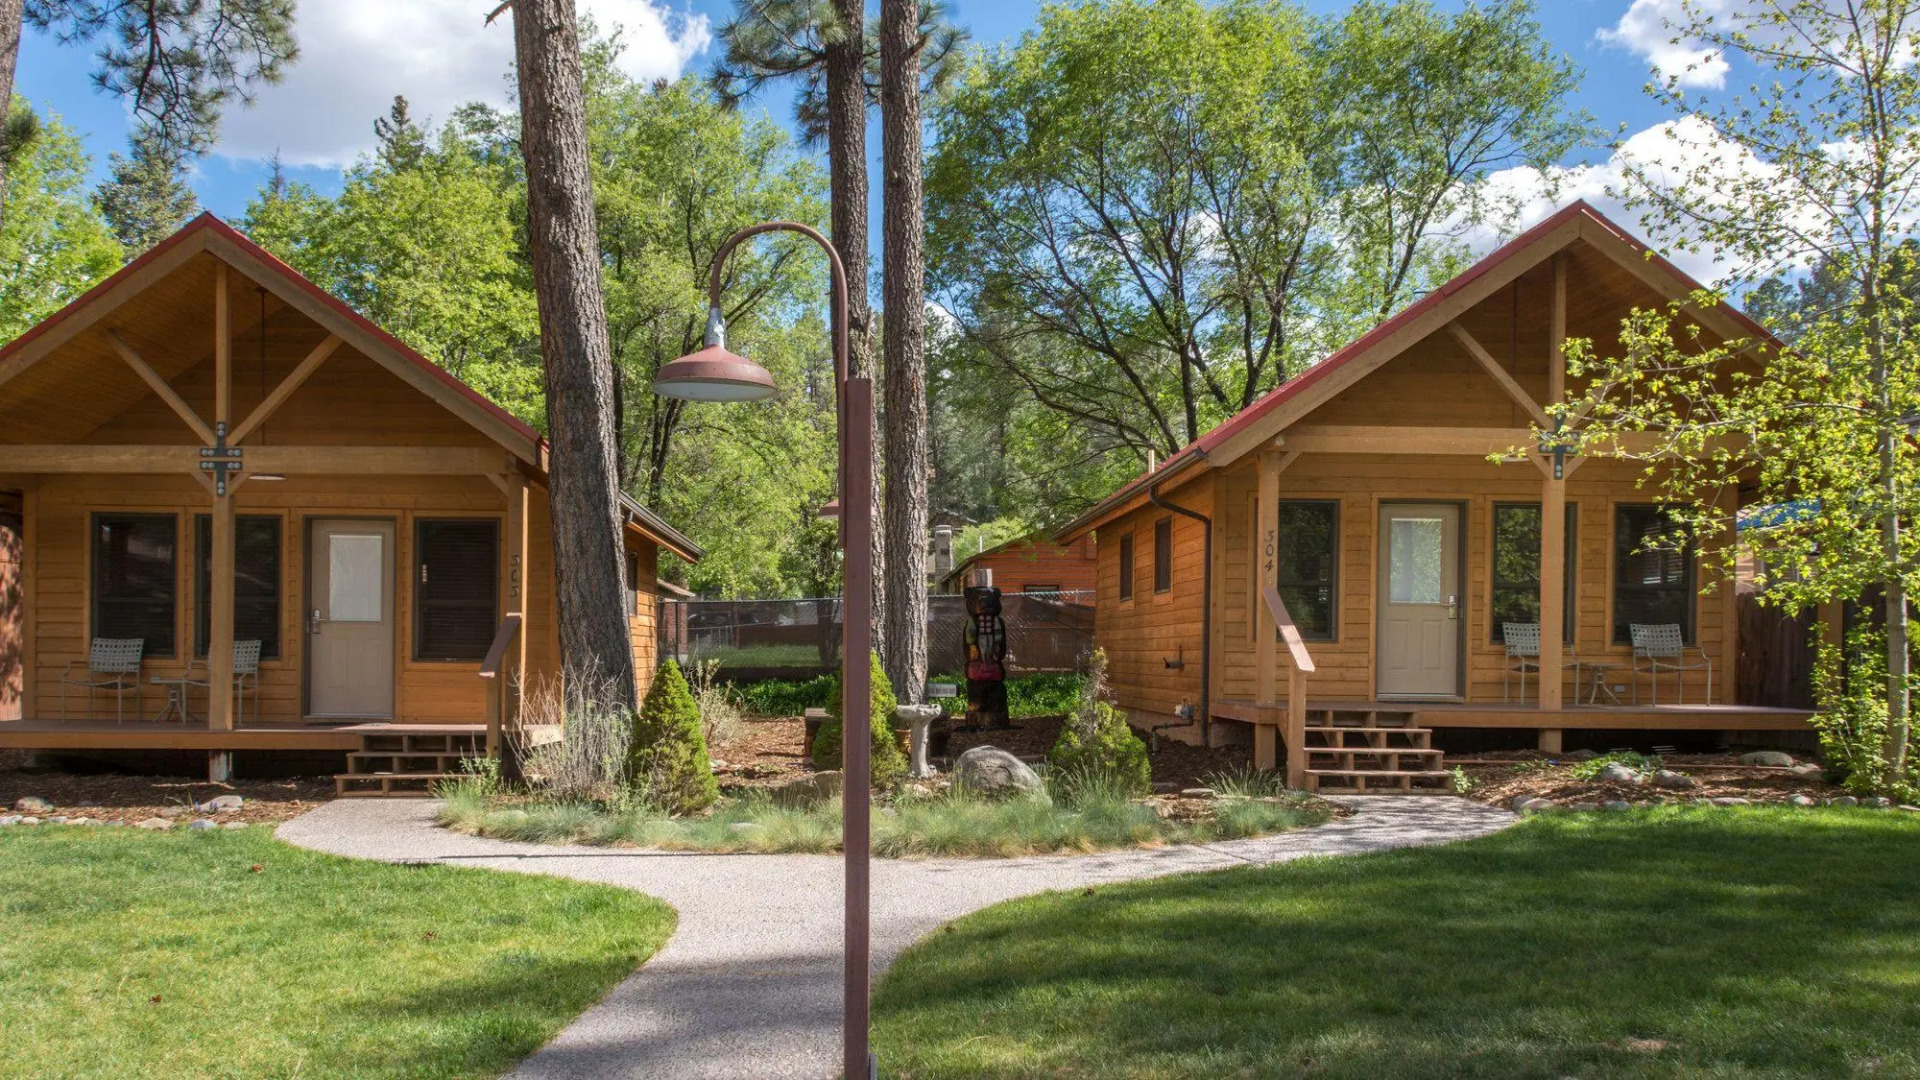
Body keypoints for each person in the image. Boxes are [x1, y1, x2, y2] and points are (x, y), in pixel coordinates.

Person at [962, 585, 1010, 730]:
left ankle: (995, 710)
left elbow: (1000, 639)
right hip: (977, 663)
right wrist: (972, 647)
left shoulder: (997, 622)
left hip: (992, 661)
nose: (984, 605)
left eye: (988, 601)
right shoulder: (971, 622)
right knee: (975, 691)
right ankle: (977, 709)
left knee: (996, 690)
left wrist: (997, 648)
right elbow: (969, 638)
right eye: (980, 601)